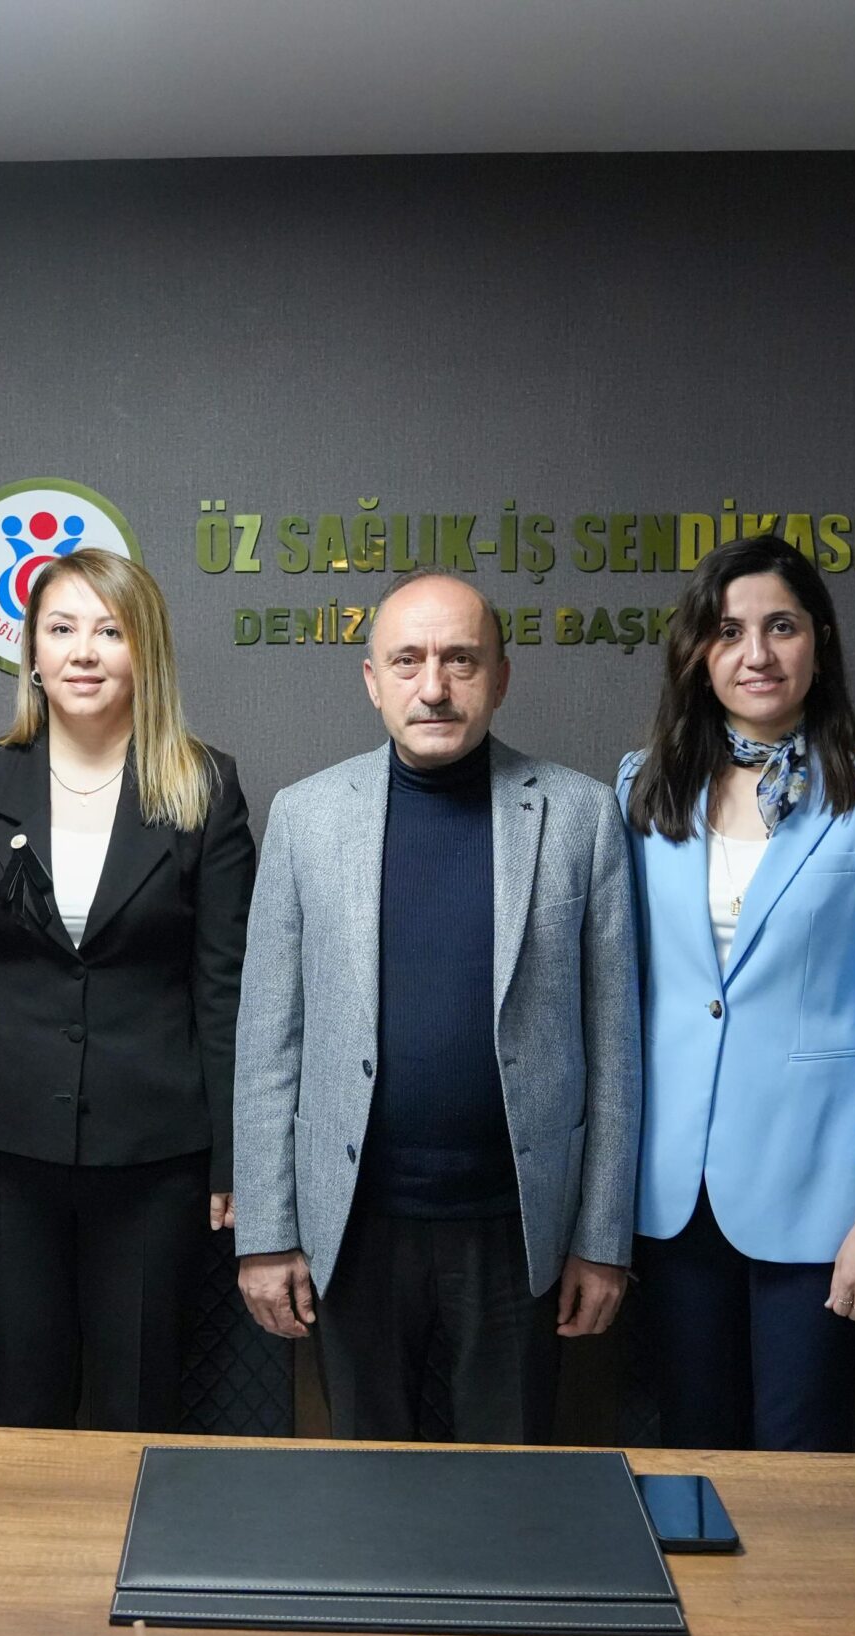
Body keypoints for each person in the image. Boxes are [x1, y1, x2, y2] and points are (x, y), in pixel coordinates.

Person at [233, 571, 637, 1444]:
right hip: (352, 1227)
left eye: (461, 660)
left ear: (500, 677)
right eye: (407, 661)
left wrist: (602, 1240)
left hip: (518, 1230)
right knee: (364, 1485)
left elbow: (614, 1049)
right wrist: (265, 1234)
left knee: (508, 1489)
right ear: (372, 680)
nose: (434, 687)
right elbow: (268, 1042)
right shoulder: (305, 817)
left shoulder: (580, 815)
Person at [0, 547, 255, 1431]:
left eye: (109, 631)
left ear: (144, 651)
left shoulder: (205, 784)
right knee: (23, 1405)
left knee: (140, 1404)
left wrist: (236, 1159)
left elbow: (225, 986)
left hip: (155, 1157)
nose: (84, 652)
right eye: (62, 629)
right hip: (0, 1151)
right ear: (34, 655)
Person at [617, 533, 855, 1451]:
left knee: (805, 1464)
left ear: (820, 643)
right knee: (690, 1450)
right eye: (728, 631)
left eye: (781, 627)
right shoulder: (644, 787)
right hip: (674, 1194)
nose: (755, 654)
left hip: (820, 1196)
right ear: (697, 652)